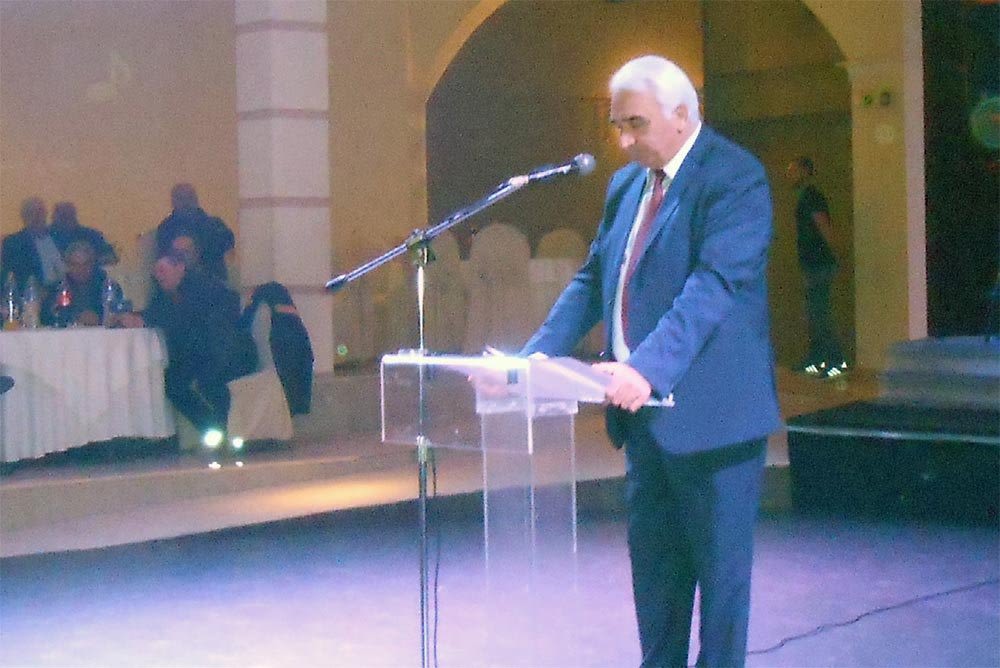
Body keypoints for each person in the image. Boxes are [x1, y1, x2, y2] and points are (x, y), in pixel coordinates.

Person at [519, 56, 781, 668]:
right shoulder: (627, 185)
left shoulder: (735, 176)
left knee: (720, 593)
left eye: (635, 123)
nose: (623, 140)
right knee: (657, 591)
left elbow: (714, 285)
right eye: (617, 126)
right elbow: (594, 280)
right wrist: (532, 359)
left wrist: (646, 368)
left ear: (682, 114)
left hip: (715, 422)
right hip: (644, 424)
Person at [119, 252, 256, 445]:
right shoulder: (164, 295)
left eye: (162, 270)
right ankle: (212, 429)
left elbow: (187, 319)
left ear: (180, 268)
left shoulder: (204, 287)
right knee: (171, 382)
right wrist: (134, 318)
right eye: (156, 271)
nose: (158, 275)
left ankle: (229, 431)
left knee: (210, 383)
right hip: (199, 355)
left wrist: (147, 319)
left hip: (229, 352)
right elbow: (156, 313)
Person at [786, 156, 847, 379]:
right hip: (812, 264)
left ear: (804, 172)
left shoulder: (811, 197)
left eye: (793, 170)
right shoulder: (805, 197)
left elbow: (824, 226)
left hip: (820, 264)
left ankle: (836, 361)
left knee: (820, 314)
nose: (789, 175)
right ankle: (817, 358)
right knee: (813, 313)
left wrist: (836, 254)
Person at [155, 183, 234, 282]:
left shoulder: (214, 224)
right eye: (181, 198)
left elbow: (228, 244)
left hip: (212, 281)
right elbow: (165, 258)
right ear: (173, 202)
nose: (186, 203)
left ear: (196, 200)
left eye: (190, 197)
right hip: (180, 284)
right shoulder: (166, 228)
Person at [41, 241, 114, 327]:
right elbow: (46, 317)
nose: (81, 269)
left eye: (86, 264)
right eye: (75, 264)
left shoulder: (107, 286)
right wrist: (76, 317)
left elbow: (118, 312)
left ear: (92, 264)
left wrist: (99, 318)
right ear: (67, 265)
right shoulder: (57, 288)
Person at [1, 197, 65, 293]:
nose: (36, 216)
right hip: (35, 293)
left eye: (39, 212)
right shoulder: (13, 243)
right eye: (31, 213)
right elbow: (14, 275)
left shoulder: (59, 236)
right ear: (24, 217)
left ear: (45, 214)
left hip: (66, 289)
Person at [49, 201, 119, 266]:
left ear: (74, 217)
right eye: (63, 217)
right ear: (53, 218)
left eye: (68, 216)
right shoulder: (46, 235)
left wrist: (88, 263)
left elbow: (110, 257)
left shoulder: (90, 235)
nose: (66, 220)